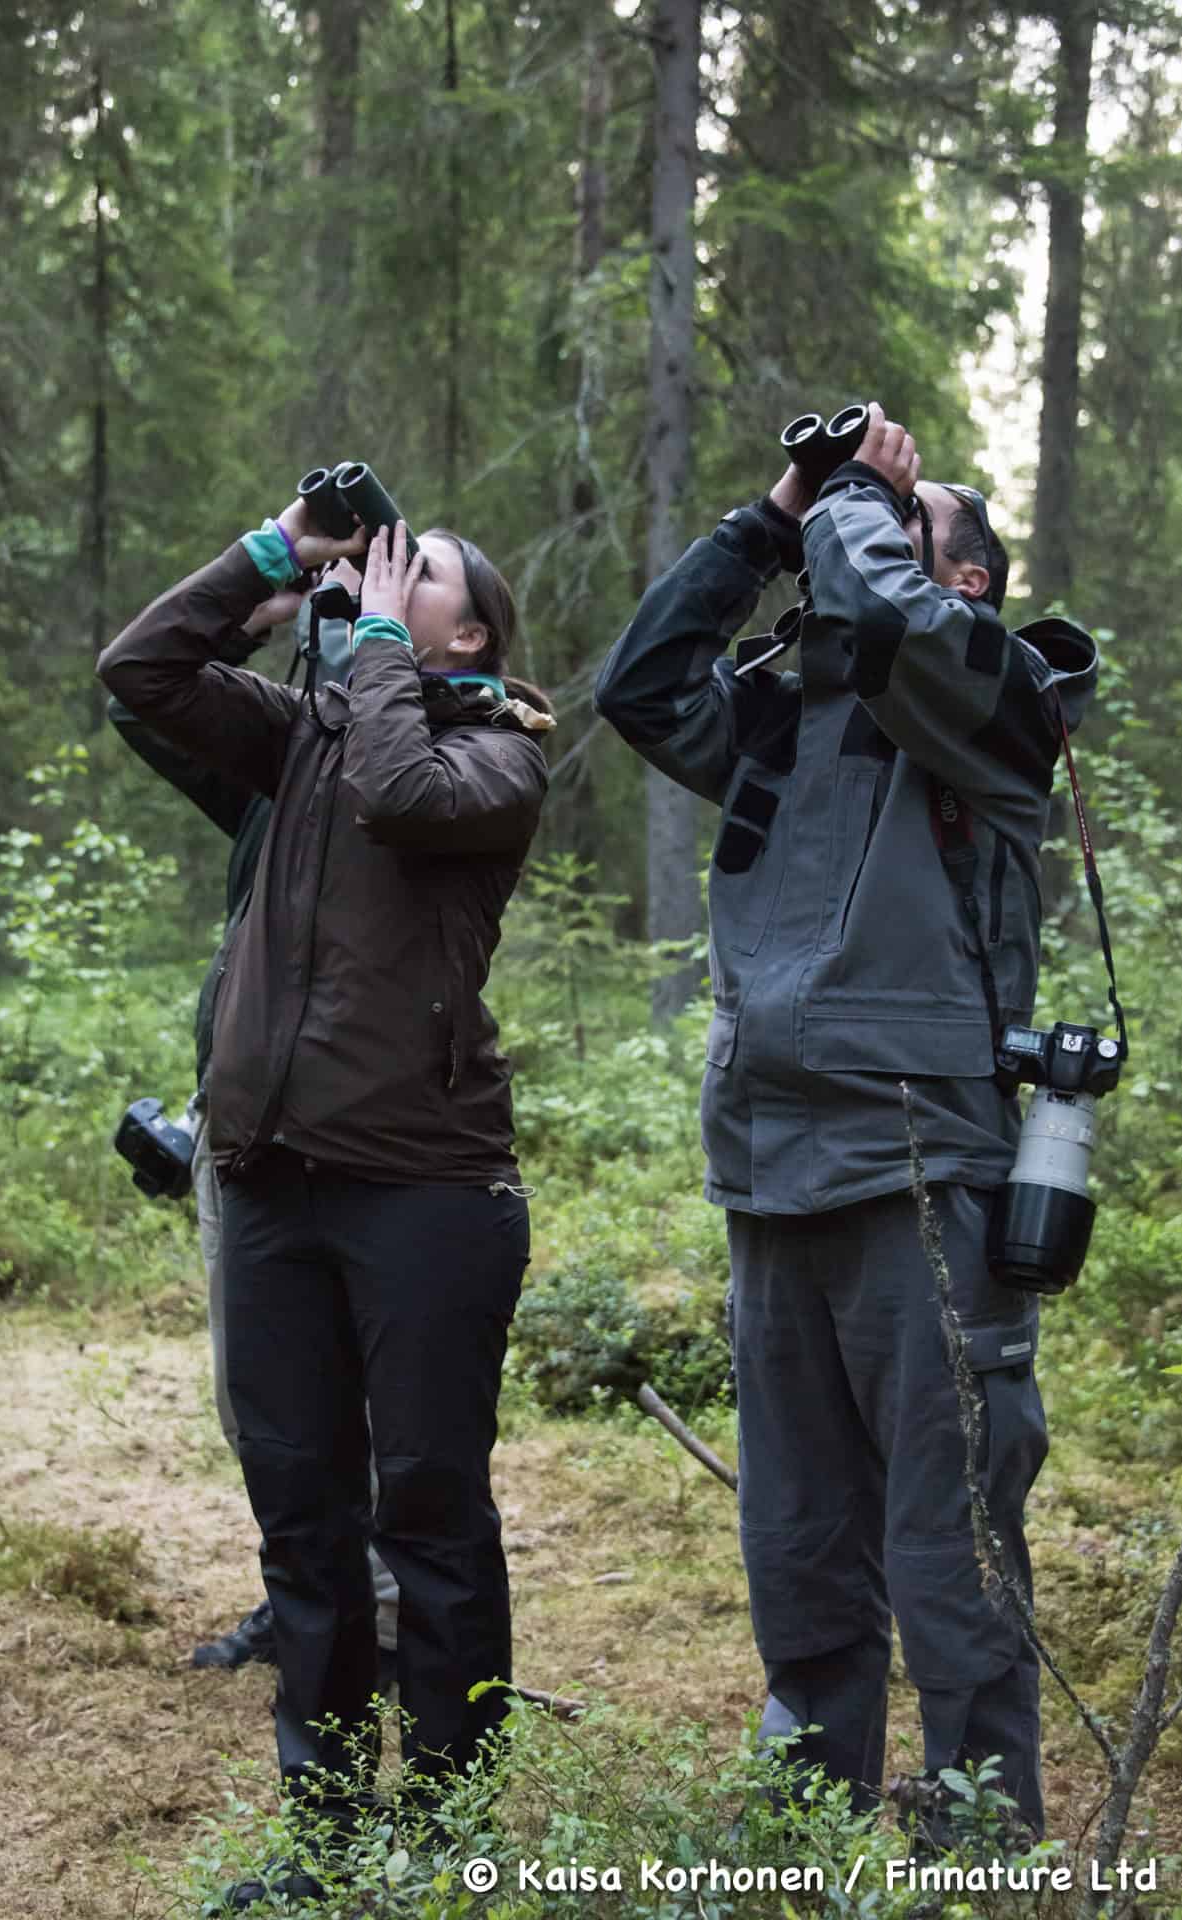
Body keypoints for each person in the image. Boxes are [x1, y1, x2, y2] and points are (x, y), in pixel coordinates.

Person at [594, 403, 1098, 1839]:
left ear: (967, 579)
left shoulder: (997, 698)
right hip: (770, 1162)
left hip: (919, 1161)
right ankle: (809, 1816)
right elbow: (638, 686)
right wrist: (771, 516)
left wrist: (856, 507)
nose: (847, 539)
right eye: (840, 523)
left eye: (890, 522)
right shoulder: (782, 713)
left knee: (948, 1536)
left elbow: (897, 628)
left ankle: (981, 1828)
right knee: (799, 1538)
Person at [98, 494, 554, 1911]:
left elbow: (401, 792)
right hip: (272, 1185)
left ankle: (451, 1819)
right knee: (301, 1522)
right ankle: (330, 1830)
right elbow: (140, 677)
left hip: (424, 1189)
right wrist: (271, 552)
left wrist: (364, 644)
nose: (382, 578)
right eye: (378, 563)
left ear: (467, 630)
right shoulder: (301, 734)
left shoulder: (497, 754)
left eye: (417, 574)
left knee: (426, 1511)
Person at [106, 584, 400, 1682]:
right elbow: (144, 701)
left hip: (367, 1142)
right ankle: (317, 1596)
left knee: (373, 1399)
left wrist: (367, 664)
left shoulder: (427, 771)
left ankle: (377, 1605)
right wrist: (260, 611)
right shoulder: (278, 779)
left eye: (367, 607)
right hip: (247, 1137)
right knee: (267, 1406)